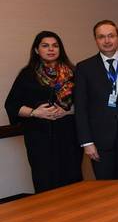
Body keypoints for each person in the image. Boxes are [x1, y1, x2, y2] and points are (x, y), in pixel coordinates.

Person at [4, 31, 81, 193]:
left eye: (55, 46)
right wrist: (35, 112)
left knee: (72, 184)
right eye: (45, 46)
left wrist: (67, 111)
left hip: (69, 137)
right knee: (45, 183)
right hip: (40, 139)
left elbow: (86, 103)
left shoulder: (73, 73)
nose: (51, 49)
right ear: (37, 50)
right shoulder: (27, 74)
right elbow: (11, 105)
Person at [74, 20, 118, 179]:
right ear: (95, 40)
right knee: (105, 188)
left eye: (111, 36)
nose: (107, 40)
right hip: (100, 142)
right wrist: (87, 142)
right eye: (101, 37)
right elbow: (81, 108)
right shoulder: (84, 68)